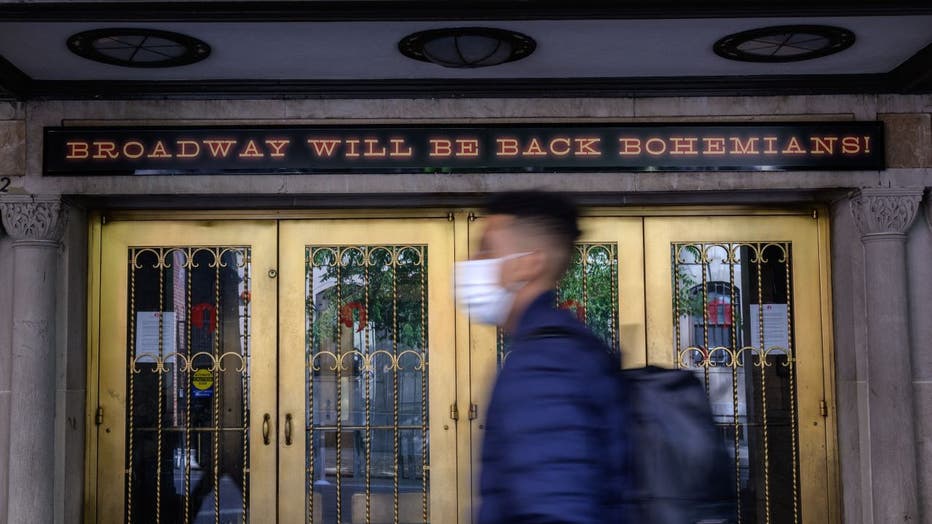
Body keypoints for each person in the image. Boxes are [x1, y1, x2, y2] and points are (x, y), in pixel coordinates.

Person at [455, 190, 630, 524]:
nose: (472, 262)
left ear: (530, 263)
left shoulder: (544, 366)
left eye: (487, 249)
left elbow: (557, 509)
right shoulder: (565, 349)